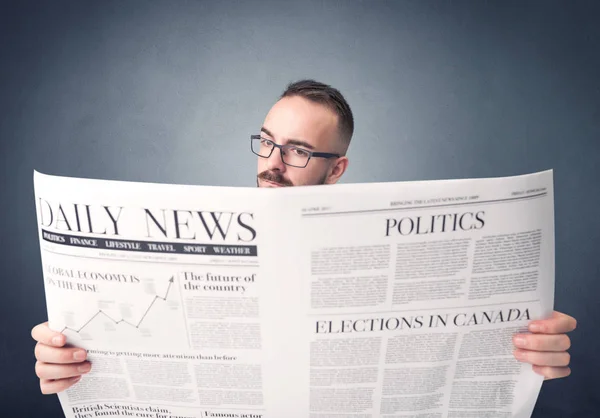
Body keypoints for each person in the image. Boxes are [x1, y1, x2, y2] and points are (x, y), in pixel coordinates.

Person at [31, 79, 577, 394]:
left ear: (335, 170)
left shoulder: (391, 262)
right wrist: (71, 361)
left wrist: (531, 353)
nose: (272, 163)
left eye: (296, 151)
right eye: (266, 142)